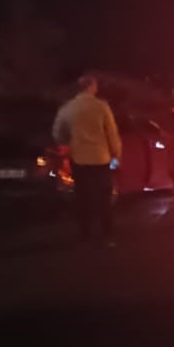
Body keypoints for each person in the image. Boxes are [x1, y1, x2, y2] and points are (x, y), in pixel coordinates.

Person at [53, 75, 122, 245]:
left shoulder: (68, 108)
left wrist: (68, 142)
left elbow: (58, 133)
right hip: (101, 158)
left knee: (83, 197)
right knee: (104, 198)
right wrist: (116, 154)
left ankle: (84, 235)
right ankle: (107, 235)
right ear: (92, 86)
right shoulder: (101, 106)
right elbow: (112, 133)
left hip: (79, 159)